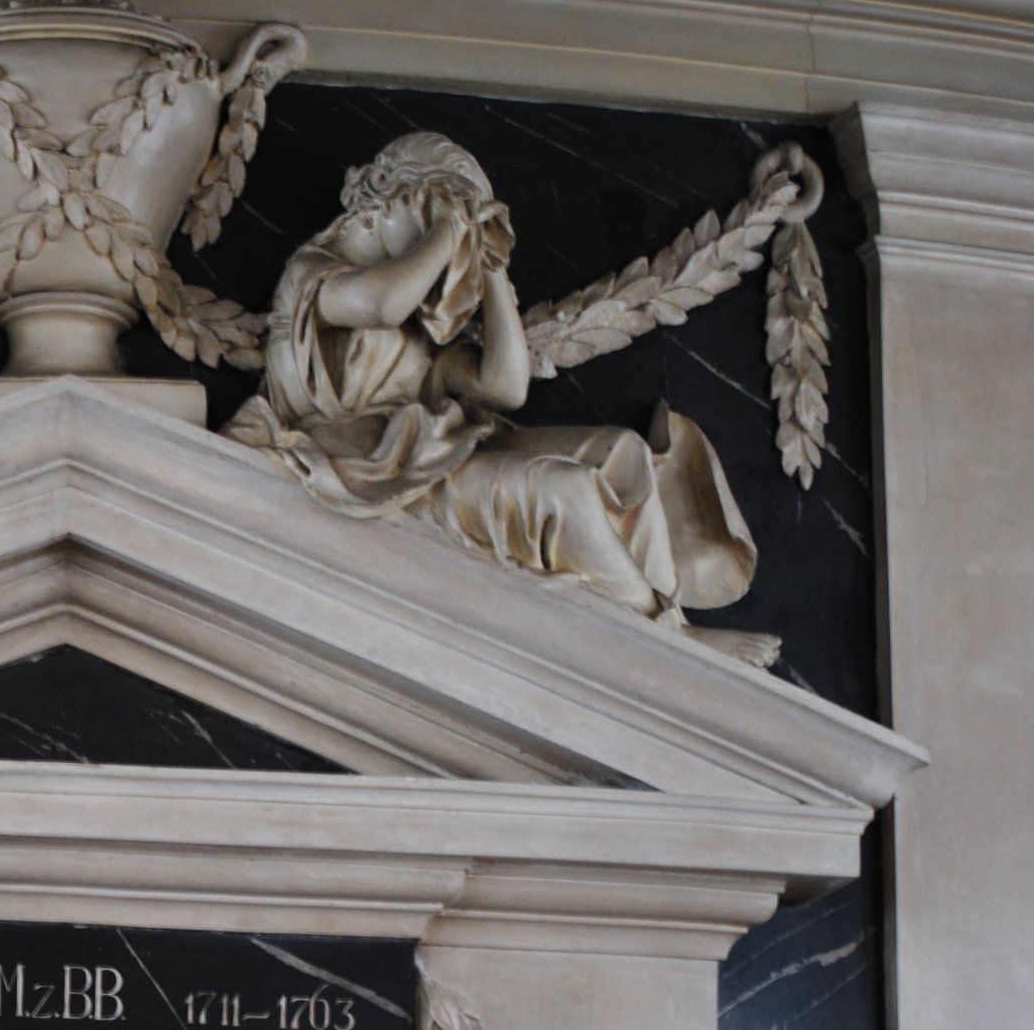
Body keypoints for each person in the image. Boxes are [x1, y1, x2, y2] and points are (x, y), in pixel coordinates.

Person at [225, 132, 778, 666]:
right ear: (385, 190)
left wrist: (490, 270)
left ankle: (663, 601)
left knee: (620, 451)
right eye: (437, 210)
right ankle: (668, 638)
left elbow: (506, 388)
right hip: (369, 471)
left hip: (429, 456)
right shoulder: (313, 274)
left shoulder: (422, 326)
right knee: (564, 490)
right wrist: (449, 226)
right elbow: (382, 305)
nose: (451, 248)